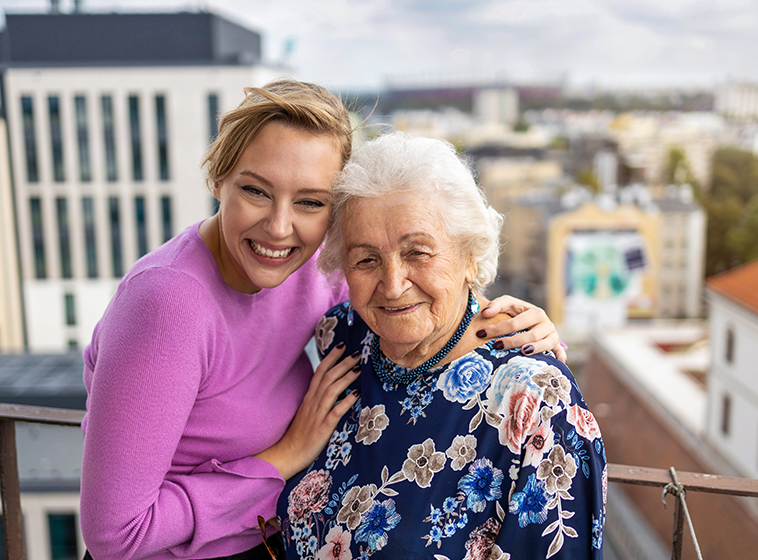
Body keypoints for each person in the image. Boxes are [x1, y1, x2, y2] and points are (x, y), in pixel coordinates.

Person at [79, 79, 566, 560]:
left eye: (310, 202)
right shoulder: (167, 303)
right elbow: (115, 534)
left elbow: (407, 294)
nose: (278, 227)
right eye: (255, 191)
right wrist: (285, 458)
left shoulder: (307, 264)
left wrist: (515, 324)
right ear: (217, 180)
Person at [277, 132, 606, 560]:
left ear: (470, 255)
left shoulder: (535, 399)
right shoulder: (342, 337)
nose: (393, 285)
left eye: (417, 252)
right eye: (366, 259)